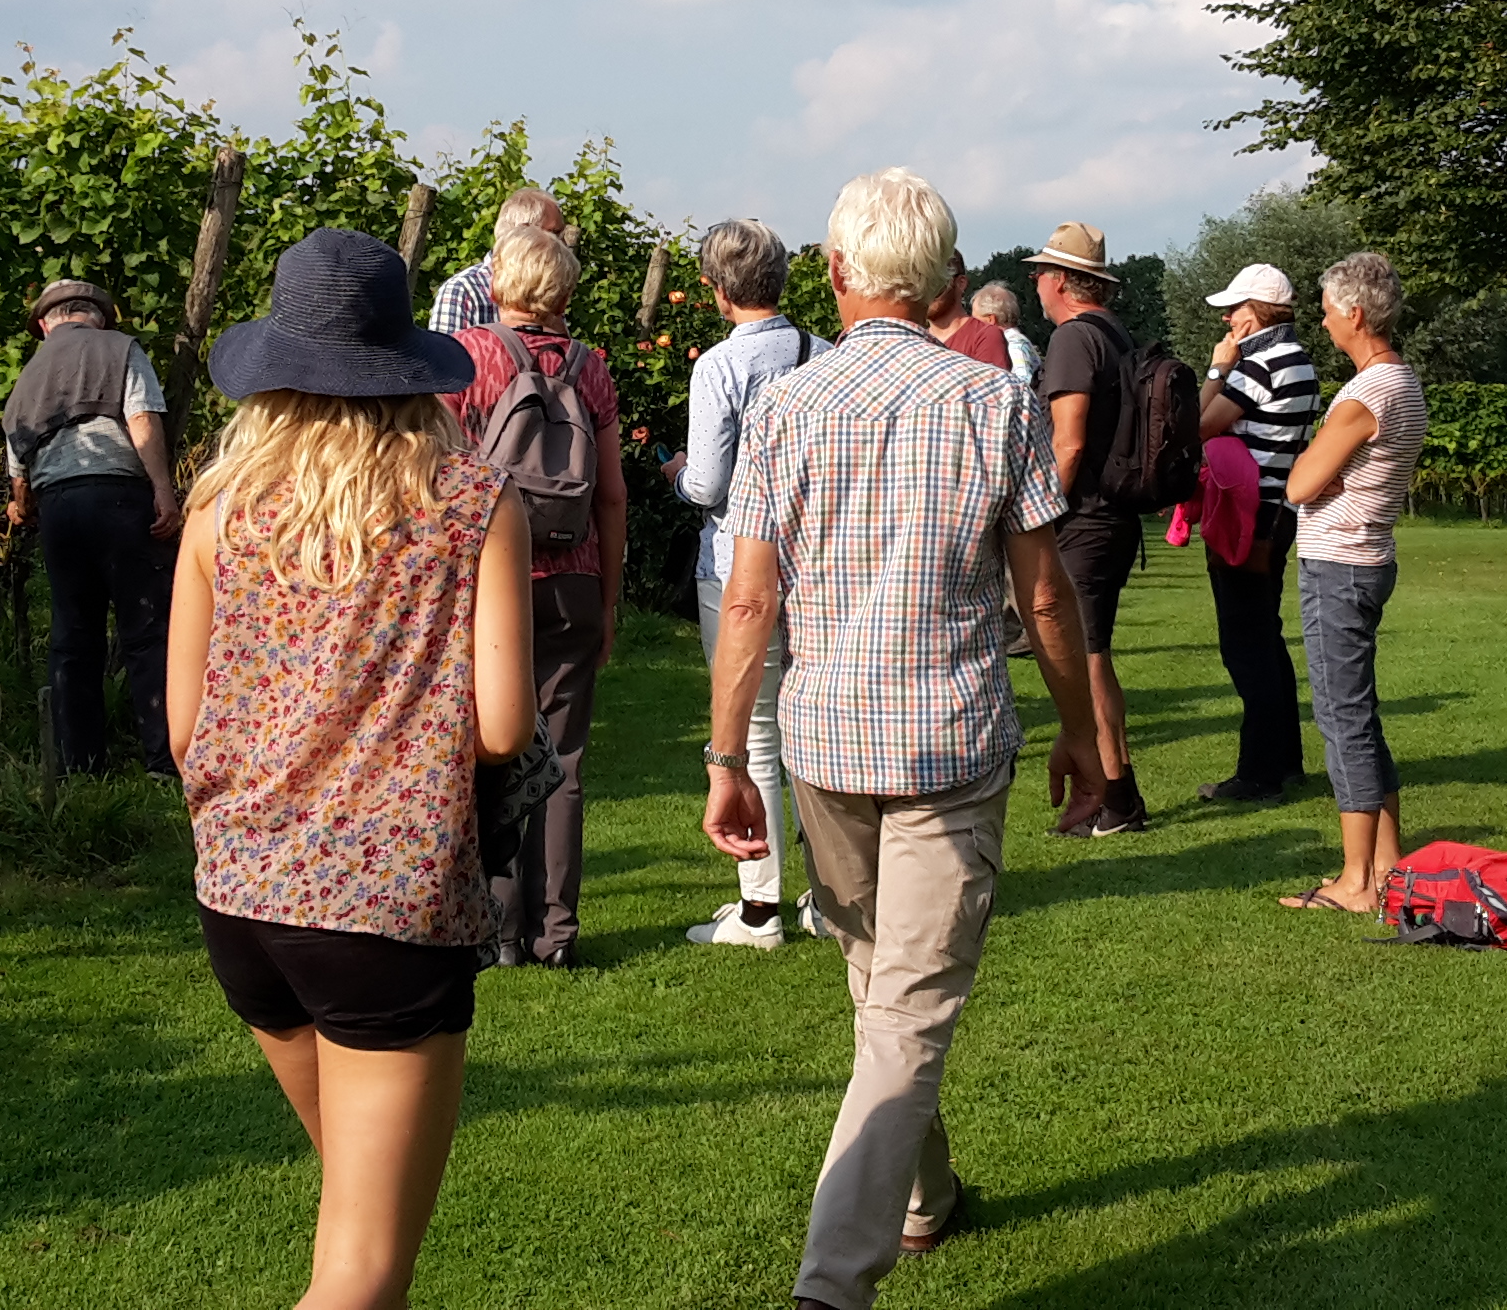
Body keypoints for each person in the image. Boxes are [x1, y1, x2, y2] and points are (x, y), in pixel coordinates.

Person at [702, 167, 1102, 1310]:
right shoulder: (992, 401)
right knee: (903, 1003)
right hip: (946, 741)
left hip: (830, 746)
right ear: (939, 280)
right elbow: (1043, 598)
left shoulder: (787, 405)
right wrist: (1083, 735)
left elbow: (747, 603)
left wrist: (730, 758)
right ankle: (835, 1284)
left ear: (836, 275)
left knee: (890, 992)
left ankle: (923, 1197)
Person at [165, 228, 537, 1310]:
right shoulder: (473, 507)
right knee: (362, 1275)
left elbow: (185, 730)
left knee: (359, 1224)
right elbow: (505, 726)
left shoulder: (217, 510)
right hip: (389, 908)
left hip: (242, 898)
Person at [442, 224, 627, 969]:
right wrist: (607, 600)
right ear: (567, 291)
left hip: (493, 581)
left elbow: (447, 484)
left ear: (499, 285)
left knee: (489, 750)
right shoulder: (593, 370)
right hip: (575, 580)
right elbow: (611, 496)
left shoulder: (468, 360)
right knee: (567, 760)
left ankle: (500, 928)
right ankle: (557, 932)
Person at [663, 218, 830, 949]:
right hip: (816, 559)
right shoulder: (825, 355)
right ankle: (829, 895)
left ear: (718, 289)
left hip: (735, 563)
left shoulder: (719, 368)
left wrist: (671, 474)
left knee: (751, 728)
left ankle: (760, 904)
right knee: (815, 726)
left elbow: (706, 484)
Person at [1277, 251, 1431, 915]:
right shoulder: (1403, 381)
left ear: (1355, 313)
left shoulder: (1365, 392)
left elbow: (1298, 484)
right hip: (1369, 558)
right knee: (1359, 713)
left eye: (1328, 308)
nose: (1322, 319)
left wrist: (1320, 470)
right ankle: (1389, 864)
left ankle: (1356, 881)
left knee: (1343, 719)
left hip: (1340, 563)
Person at [3, 279, 184, 777]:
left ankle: (79, 765)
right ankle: (164, 760)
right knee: (146, 630)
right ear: (100, 317)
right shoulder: (121, 348)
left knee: (72, 635)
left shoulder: (28, 375)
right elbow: (142, 417)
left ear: (44, 325)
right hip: (120, 497)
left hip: (59, 508)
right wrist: (163, 491)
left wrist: (23, 506)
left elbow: (19, 463)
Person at [1028, 221, 1150, 836]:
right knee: (1094, 657)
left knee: (1089, 659)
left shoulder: (1074, 339)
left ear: (1059, 282)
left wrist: (1040, 511)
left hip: (1087, 519)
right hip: (1116, 517)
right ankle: (1112, 789)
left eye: (1040, 273)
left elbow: (1068, 444)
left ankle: (1118, 798)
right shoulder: (1115, 333)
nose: (1035, 284)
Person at [1194, 262, 1323, 803]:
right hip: (1278, 513)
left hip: (1245, 514)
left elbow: (1198, 423)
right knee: (1265, 637)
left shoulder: (1257, 364)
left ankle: (1258, 773)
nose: (1228, 317)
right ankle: (1284, 760)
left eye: (1237, 309)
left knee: (1244, 642)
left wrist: (1218, 369)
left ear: (1260, 313)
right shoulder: (1300, 361)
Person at [427, 186, 565, 334]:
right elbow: (444, 356)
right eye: (554, 233)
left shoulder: (547, 286)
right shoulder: (463, 290)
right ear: (523, 233)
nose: (561, 243)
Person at [924, 250, 1010, 371]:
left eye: (937, 282)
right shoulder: (916, 340)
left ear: (961, 283)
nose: (926, 291)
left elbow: (991, 388)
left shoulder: (984, 336)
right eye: (919, 282)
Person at [971, 281, 1039, 386]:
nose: (973, 324)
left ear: (990, 320)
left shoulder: (1015, 344)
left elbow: (1023, 382)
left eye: (976, 320)